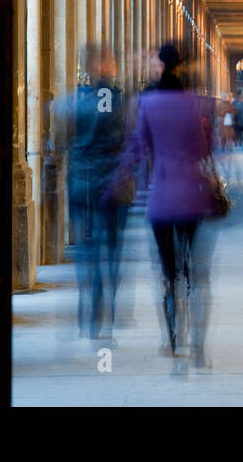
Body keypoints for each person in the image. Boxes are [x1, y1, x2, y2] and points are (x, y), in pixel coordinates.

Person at [120, 43, 219, 374]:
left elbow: (136, 149)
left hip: (162, 197)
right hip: (195, 195)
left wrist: (113, 184)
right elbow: (211, 148)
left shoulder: (146, 103)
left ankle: (174, 338)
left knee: (167, 272)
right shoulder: (200, 104)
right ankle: (199, 346)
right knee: (195, 273)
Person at [56, 43, 132, 341]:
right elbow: (125, 139)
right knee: (111, 247)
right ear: (100, 66)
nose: (114, 65)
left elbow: (61, 136)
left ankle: (89, 304)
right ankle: (105, 304)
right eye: (111, 60)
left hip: (80, 183)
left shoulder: (72, 102)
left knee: (87, 248)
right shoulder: (114, 101)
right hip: (110, 185)